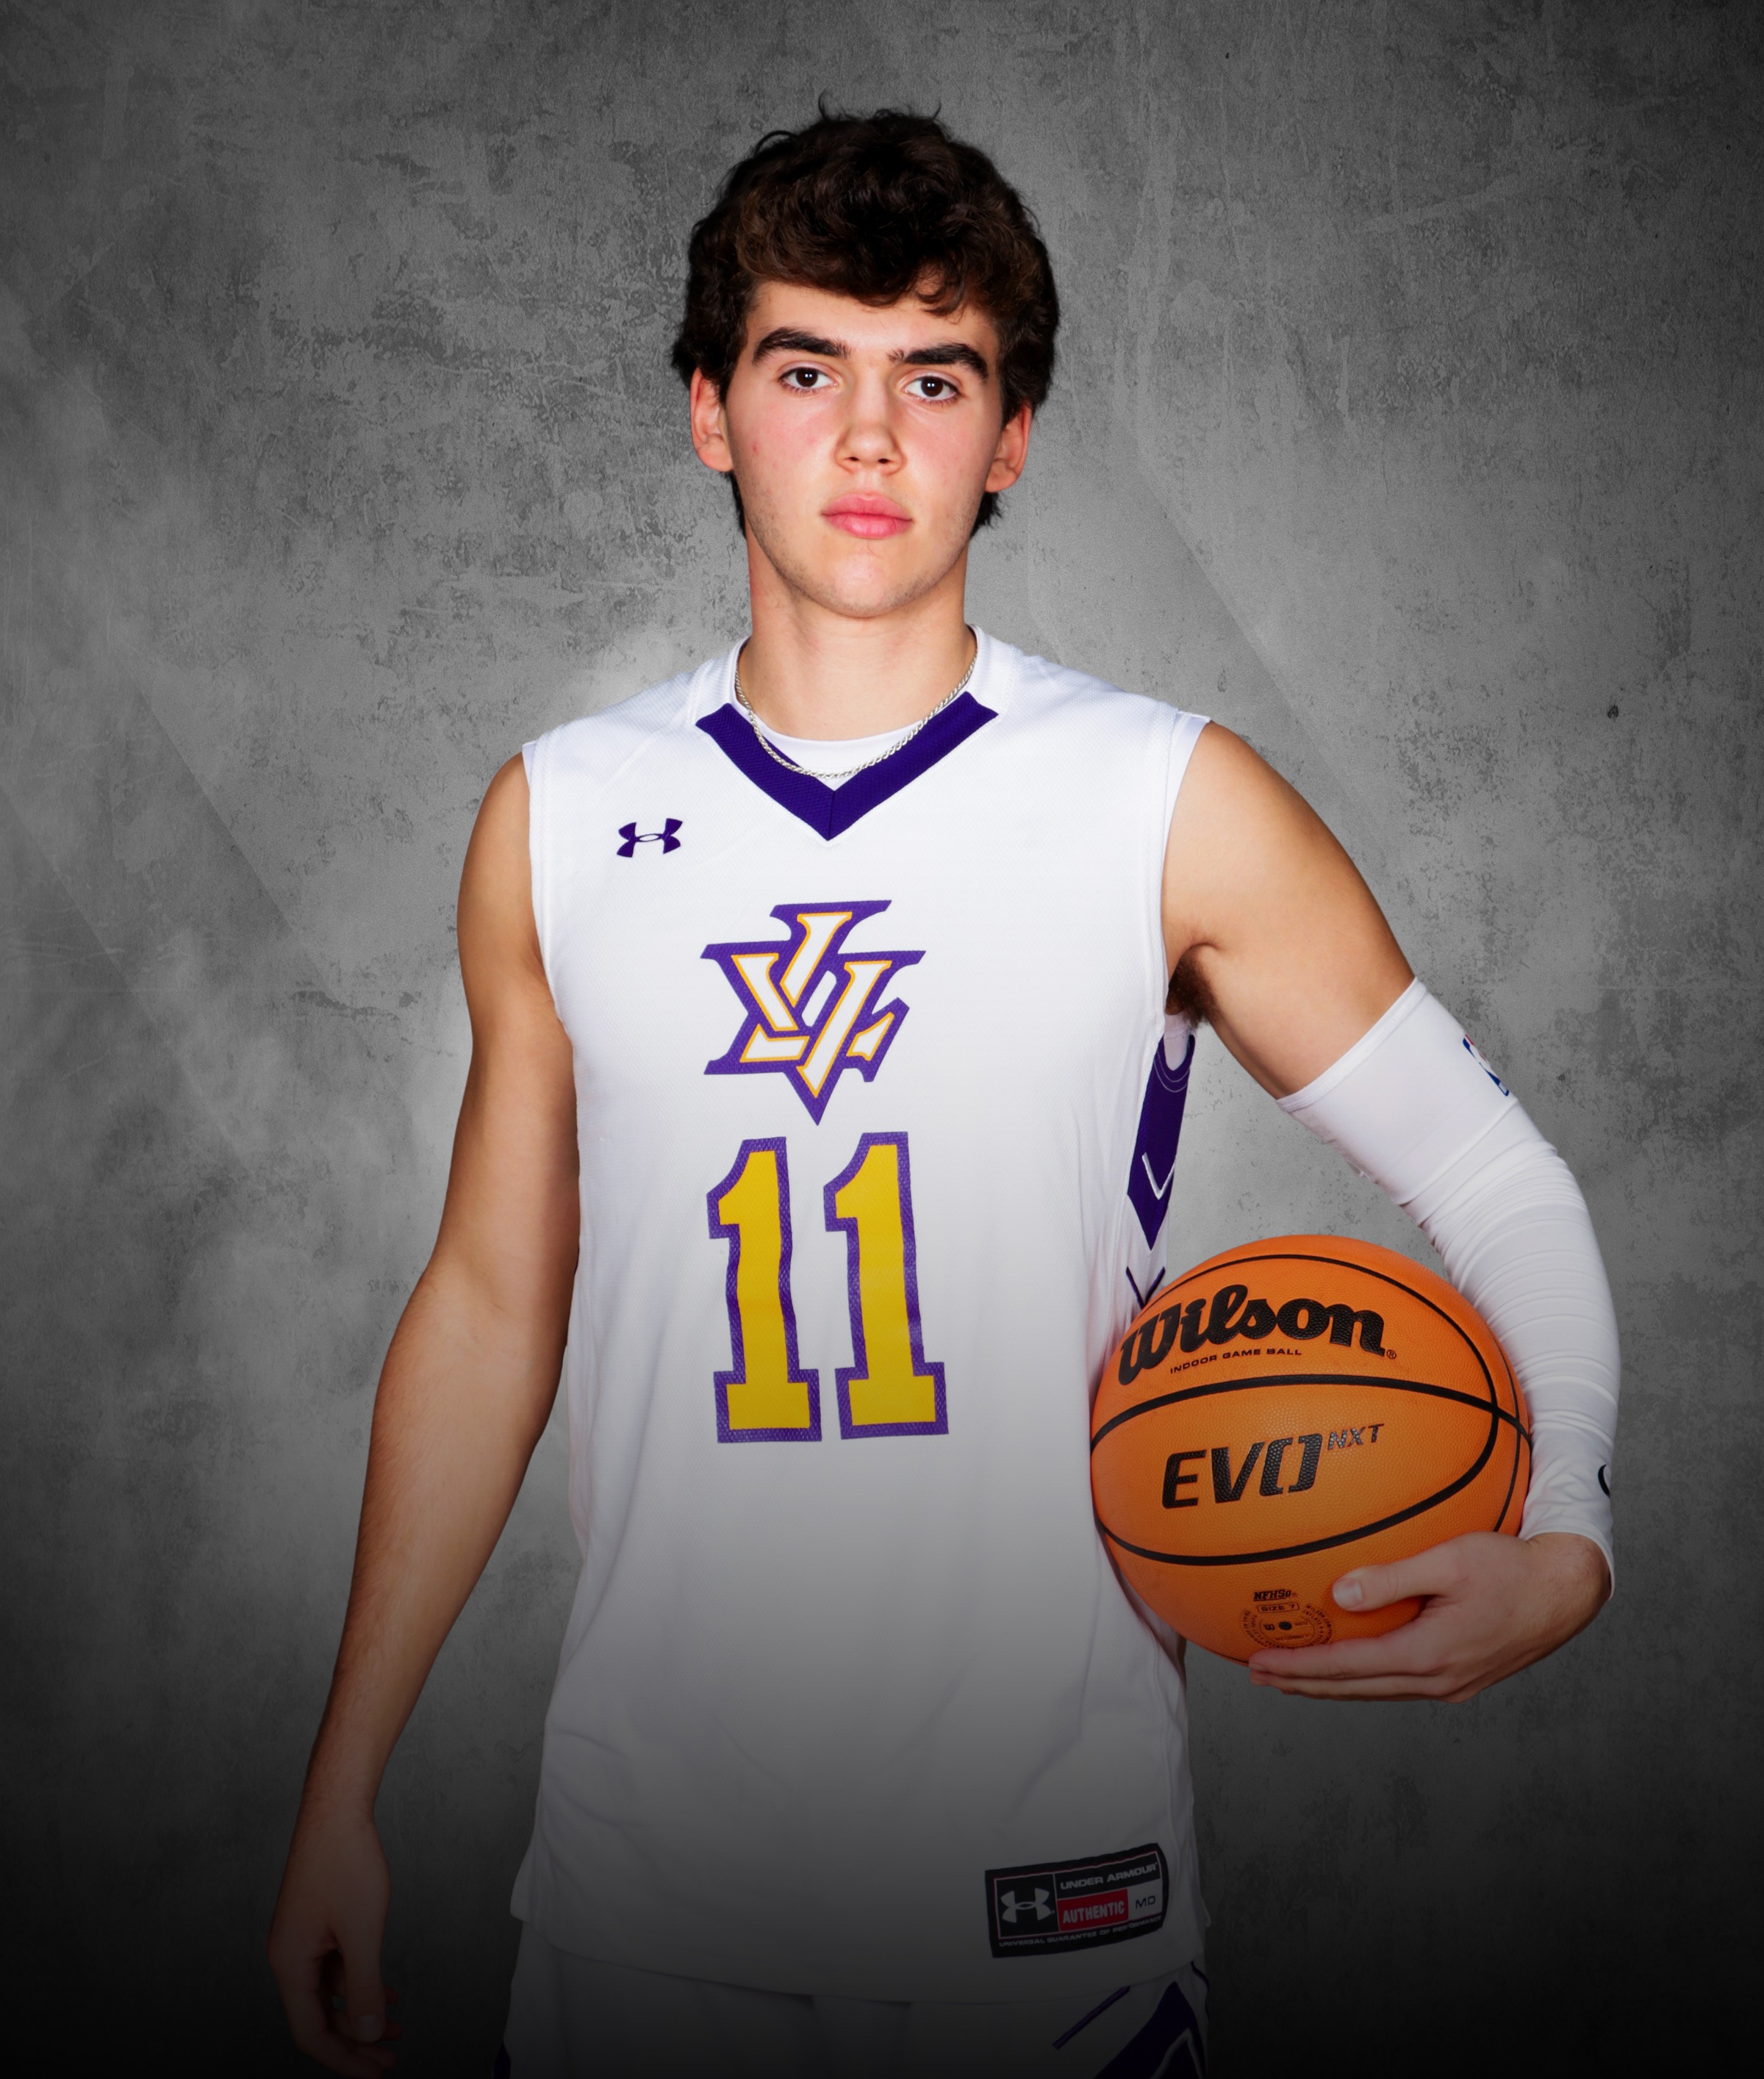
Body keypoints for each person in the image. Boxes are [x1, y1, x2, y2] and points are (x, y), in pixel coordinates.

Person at [268, 111, 1618, 2078]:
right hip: (645, 1901)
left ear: (1013, 437)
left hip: (1049, 1901)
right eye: (806, 369)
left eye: (935, 377)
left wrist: (1570, 1527)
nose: (870, 438)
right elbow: (489, 1307)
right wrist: (343, 1789)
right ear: (711, 414)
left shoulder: (1167, 801)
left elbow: (1493, 1175)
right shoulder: (558, 818)